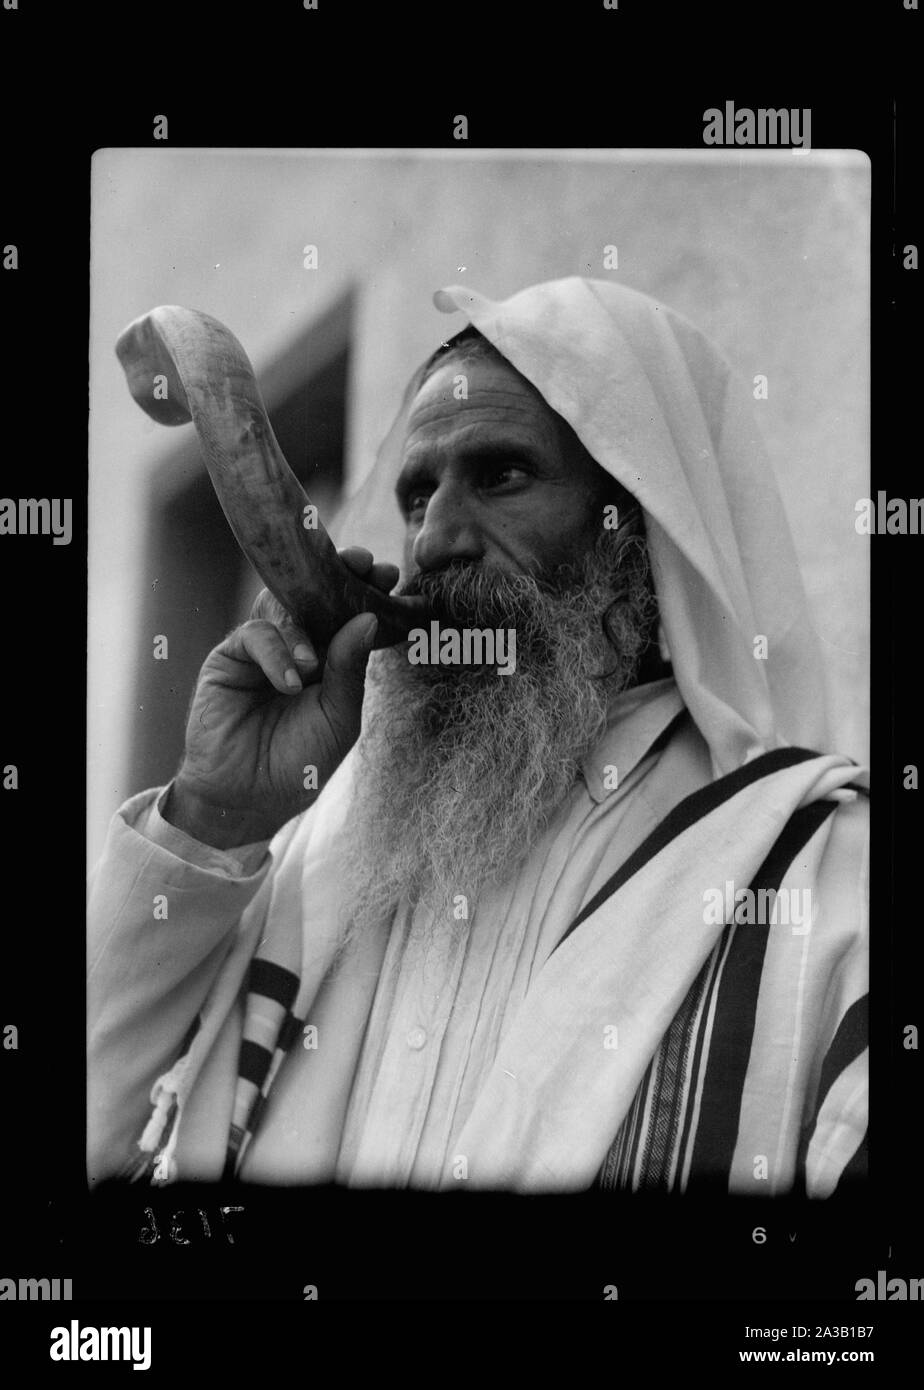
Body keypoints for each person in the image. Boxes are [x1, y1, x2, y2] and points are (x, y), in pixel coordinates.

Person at [88, 277, 868, 1196]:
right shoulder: (319, 866)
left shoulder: (822, 873)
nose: (438, 541)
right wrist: (216, 815)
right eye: (418, 496)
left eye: (500, 476)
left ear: (645, 530)